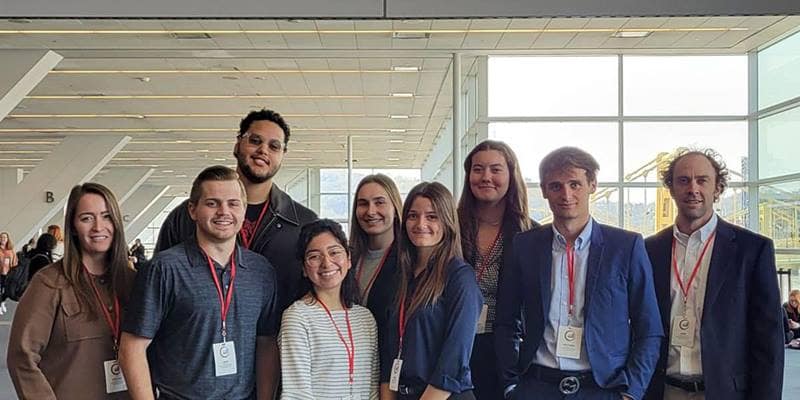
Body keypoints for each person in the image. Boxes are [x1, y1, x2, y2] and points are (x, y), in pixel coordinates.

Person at [495, 147, 663, 400]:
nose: (566, 195)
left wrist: (631, 393)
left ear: (592, 185)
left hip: (603, 389)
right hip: (538, 386)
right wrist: (511, 385)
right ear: (544, 190)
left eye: (575, 184)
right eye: (556, 186)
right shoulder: (524, 246)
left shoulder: (626, 247)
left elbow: (649, 328)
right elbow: (506, 321)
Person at [119, 166, 280, 400]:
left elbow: (266, 343)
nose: (224, 212)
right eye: (212, 203)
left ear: (244, 210)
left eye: (233, 203)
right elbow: (132, 348)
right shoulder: (165, 269)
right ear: (193, 210)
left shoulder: (261, 271)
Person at [644, 149, 784, 400]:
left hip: (724, 393)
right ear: (671, 188)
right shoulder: (649, 249)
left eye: (702, 180)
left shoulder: (752, 250)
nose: (693, 189)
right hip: (661, 391)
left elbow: (768, 340)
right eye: (683, 180)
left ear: (717, 189)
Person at [155, 109, 316, 311]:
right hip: (198, 330)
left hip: (278, 330)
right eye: (255, 141)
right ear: (237, 144)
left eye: (274, 146)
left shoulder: (304, 223)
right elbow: (158, 286)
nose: (263, 150)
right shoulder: (186, 216)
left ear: (282, 155)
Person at [7, 182, 136, 399]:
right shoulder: (49, 283)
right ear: (73, 227)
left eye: (106, 216)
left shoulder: (134, 283)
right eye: (87, 218)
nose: (98, 227)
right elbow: (22, 356)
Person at [380, 181, 484, 400]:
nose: (421, 224)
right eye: (413, 216)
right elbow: (388, 353)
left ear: (447, 222)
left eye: (432, 216)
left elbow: (453, 361)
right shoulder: (400, 276)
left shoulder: (459, 277)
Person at [456, 140, 538, 400]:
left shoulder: (532, 235)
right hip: (455, 345)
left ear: (511, 175)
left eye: (496, 169)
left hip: (508, 352)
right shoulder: (450, 229)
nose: (486, 177)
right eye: (478, 169)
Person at [279, 219, 379, 399]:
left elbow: (372, 388)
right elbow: (297, 393)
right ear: (304, 268)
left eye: (334, 252)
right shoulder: (297, 317)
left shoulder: (365, 318)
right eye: (314, 256)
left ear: (348, 259)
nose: (326, 263)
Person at [349, 174, 403, 345]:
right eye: (363, 203)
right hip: (350, 354)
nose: (370, 211)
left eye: (379, 202)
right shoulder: (346, 259)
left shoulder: (408, 261)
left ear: (395, 209)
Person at [0, 231, 18, 314]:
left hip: (8, 274)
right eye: (1, 237)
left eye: (5, 237)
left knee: (6, 290)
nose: (3, 239)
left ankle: (2, 303)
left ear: (7, 239)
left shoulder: (11, 251)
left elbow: (15, 262)